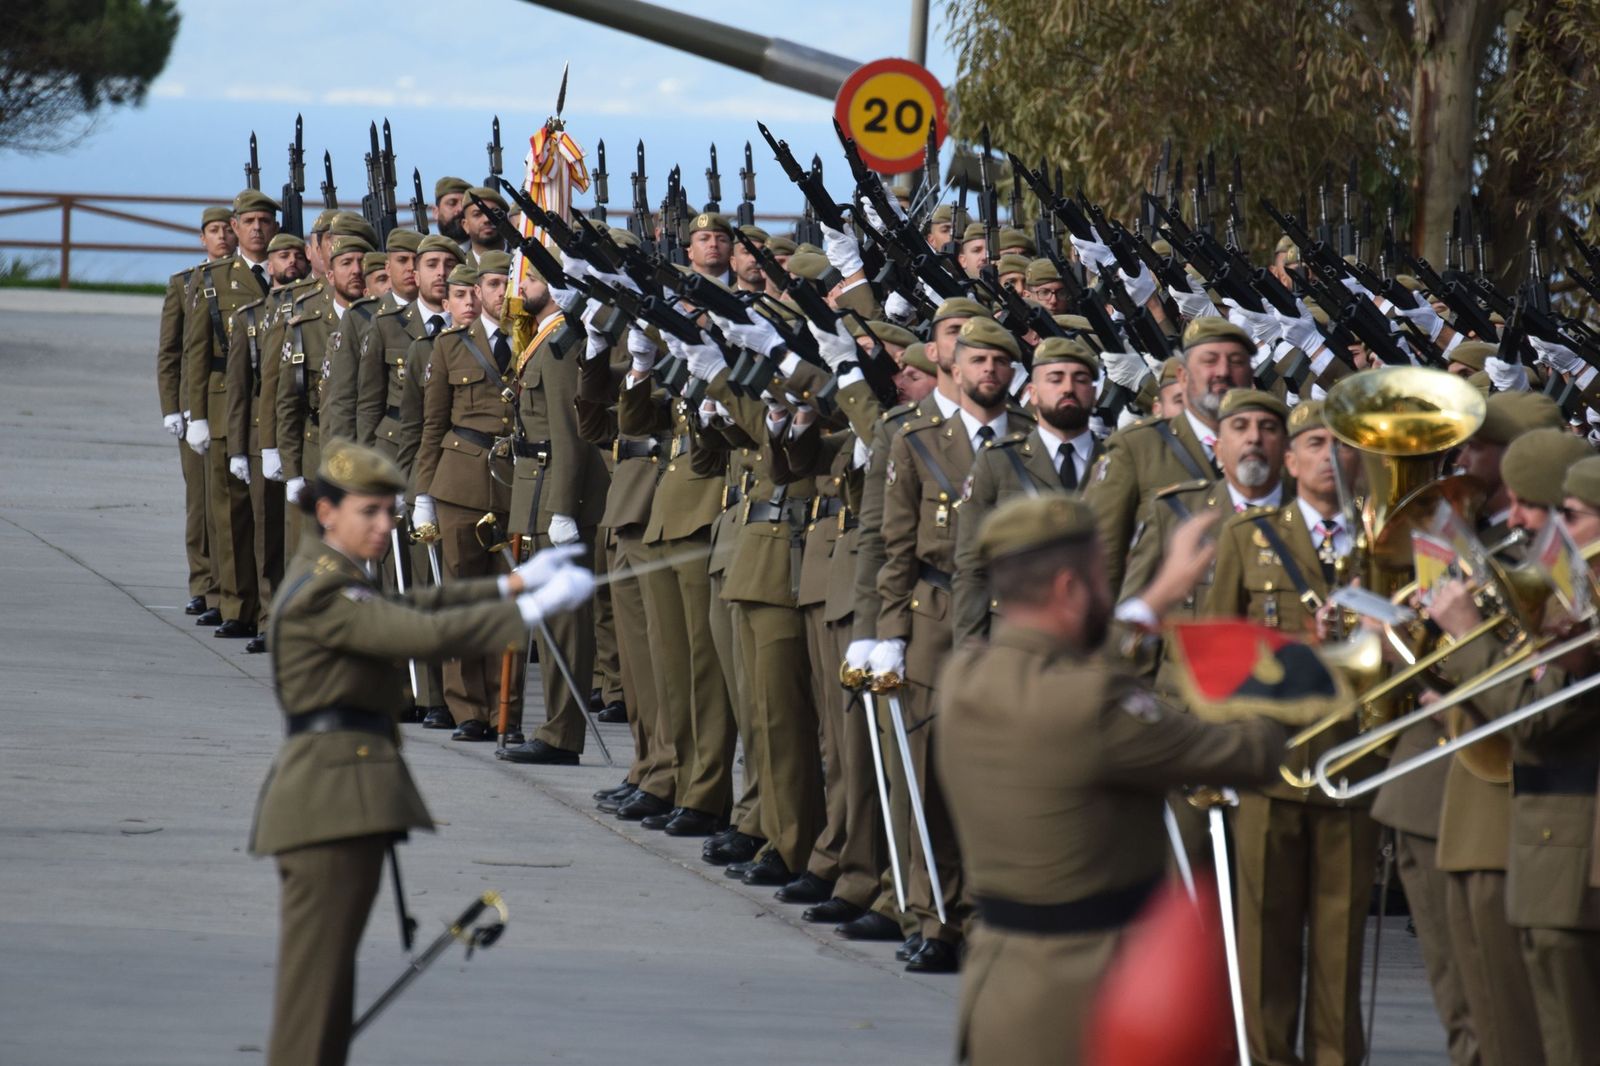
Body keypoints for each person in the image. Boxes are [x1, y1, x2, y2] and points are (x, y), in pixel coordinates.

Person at [249, 440, 592, 1066]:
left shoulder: (336, 576)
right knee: (314, 995)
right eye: (370, 512)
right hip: (327, 805)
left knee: (328, 992)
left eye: (389, 511)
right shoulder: (323, 591)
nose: (385, 525)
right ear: (326, 512)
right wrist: (528, 610)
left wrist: (513, 583)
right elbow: (416, 633)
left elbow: (412, 606)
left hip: (339, 802)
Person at [937, 493, 1297, 1066]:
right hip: (1101, 1004)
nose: (1108, 593)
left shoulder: (965, 676)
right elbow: (1250, 755)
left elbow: (1068, 665)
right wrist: (1292, 671)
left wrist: (1157, 598)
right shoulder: (1099, 705)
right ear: (1069, 588)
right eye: (1101, 578)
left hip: (999, 991)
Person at [157, 206, 234, 622]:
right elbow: (171, 352)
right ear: (203, 238)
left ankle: (227, 584)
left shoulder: (251, 281)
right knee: (201, 503)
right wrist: (172, 406)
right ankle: (203, 583)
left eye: (226, 229)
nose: (222, 236)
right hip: (196, 404)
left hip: (233, 401)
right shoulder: (186, 283)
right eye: (213, 230)